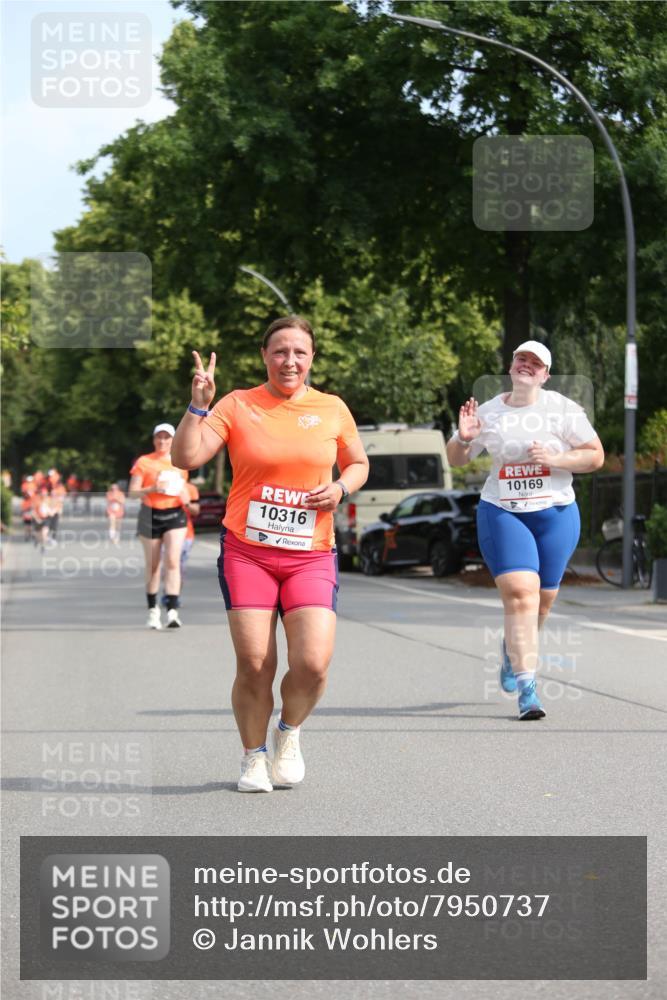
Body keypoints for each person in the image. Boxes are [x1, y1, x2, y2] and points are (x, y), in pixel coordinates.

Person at [171, 316, 369, 793]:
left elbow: (359, 463)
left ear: (312, 358)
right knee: (256, 662)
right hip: (248, 553)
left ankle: (288, 731)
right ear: (265, 356)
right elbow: (185, 458)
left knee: (313, 663)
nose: (290, 360)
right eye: (280, 351)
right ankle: (253, 756)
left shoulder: (331, 408)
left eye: (299, 352)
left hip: (311, 554)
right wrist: (197, 408)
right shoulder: (237, 404)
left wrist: (341, 487)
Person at [447, 341, 604, 720]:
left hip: (555, 512)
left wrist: (557, 458)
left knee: (542, 602)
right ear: (512, 364)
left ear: (545, 374)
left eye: (536, 363)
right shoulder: (490, 411)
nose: (527, 366)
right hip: (503, 511)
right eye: (522, 359)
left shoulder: (563, 409)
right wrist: (463, 438)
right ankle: (528, 688)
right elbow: (456, 460)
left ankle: (511, 650)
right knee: (520, 595)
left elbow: (595, 455)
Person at [128, 424, 190, 629]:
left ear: (173, 440)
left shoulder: (181, 461)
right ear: (154, 439)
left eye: (167, 438)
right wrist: (154, 488)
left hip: (175, 514)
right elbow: (132, 493)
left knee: (173, 561)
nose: (163, 441)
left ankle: (172, 611)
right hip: (150, 515)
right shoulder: (144, 462)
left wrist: (186, 496)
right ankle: (153, 611)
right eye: (159, 437)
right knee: (154, 565)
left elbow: (185, 489)